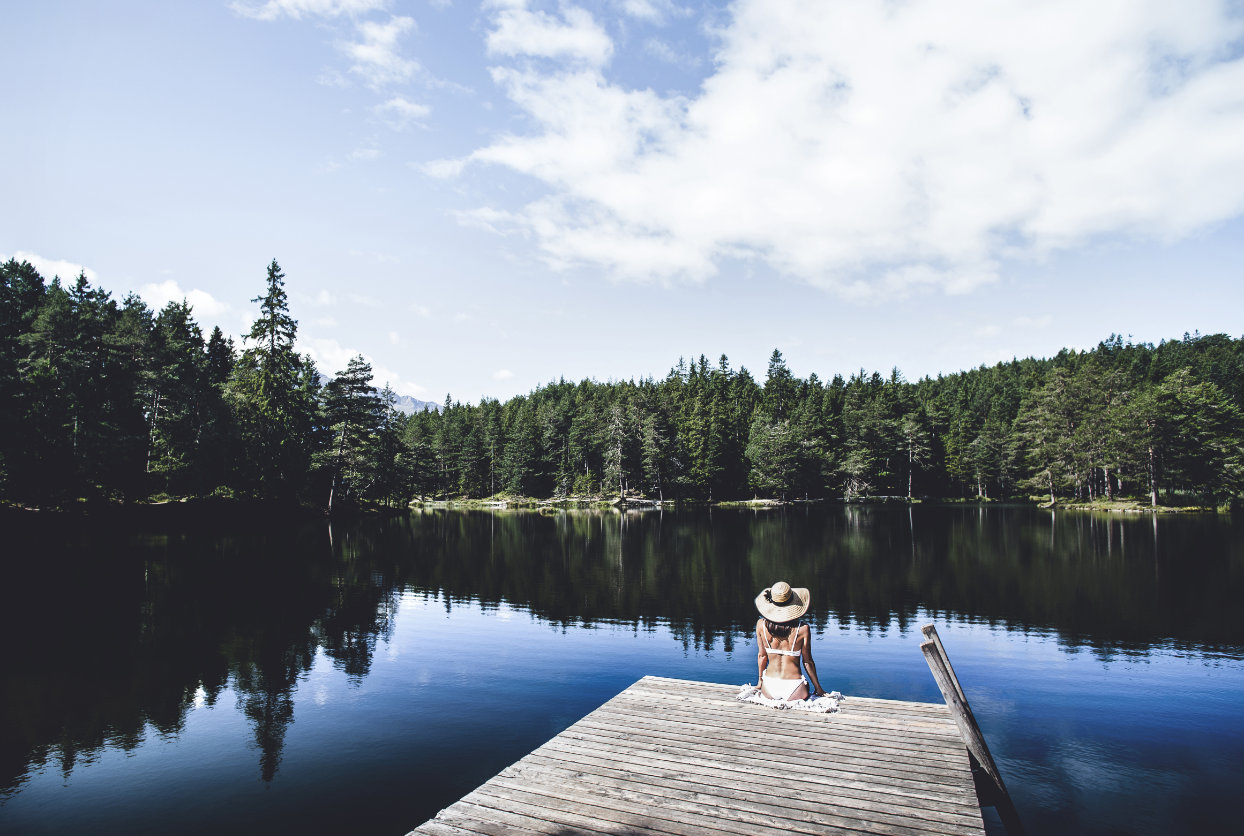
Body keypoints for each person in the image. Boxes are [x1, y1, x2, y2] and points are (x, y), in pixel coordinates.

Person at [754, 581, 828, 701]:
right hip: (795, 688)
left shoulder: (761, 625)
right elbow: (807, 661)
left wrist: (760, 682)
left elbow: (762, 656)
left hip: (769, 687)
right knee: (806, 686)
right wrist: (818, 688)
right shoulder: (803, 629)